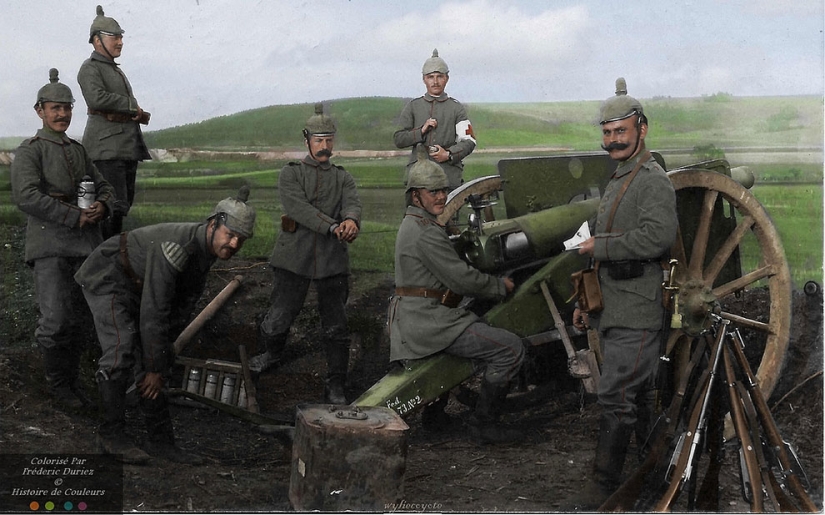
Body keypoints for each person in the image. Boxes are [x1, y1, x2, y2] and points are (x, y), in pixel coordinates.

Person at [74, 187, 256, 465]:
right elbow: (154, 311)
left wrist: (159, 361)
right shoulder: (177, 247)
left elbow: (177, 310)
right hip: (110, 276)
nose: (233, 244)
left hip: (138, 286)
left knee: (158, 357)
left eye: (240, 240)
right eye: (229, 235)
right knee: (121, 347)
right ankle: (111, 436)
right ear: (213, 224)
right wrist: (154, 369)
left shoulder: (205, 253)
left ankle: (160, 442)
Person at [567, 78, 678, 510]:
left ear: (641, 129)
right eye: (607, 132)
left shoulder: (651, 180)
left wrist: (603, 246)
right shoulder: (619, 178)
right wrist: (584, 304)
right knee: (635, 395)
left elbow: (658, 236)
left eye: (621, 131)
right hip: (613, 307)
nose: (612, 140)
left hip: (638, 308)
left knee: (616, 394)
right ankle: (651, 476)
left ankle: (604, 486)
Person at [387, 148, 525, 443]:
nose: (441, 197)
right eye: (433, 192)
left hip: (418, 319)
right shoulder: (424, 231)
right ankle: (484, 424)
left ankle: (435, 419)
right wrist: (500, 287)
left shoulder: (416, 225)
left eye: (444, 191)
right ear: (416, 197)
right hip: (428, 323)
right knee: (509, 348)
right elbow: (461, 279)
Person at [11, 68, 115, 410]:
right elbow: (27, 196)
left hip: (86, 245)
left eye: (67, 107)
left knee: (87, 316)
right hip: (50, 244)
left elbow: (104, 186)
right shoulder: (30, 151)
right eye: (55, 108)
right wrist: (73, 215)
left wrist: (103, 204)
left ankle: (79, 381)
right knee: (56, 319)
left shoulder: (78, 150)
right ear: (40, 111)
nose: (62, 114)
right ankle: (57, 388)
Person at [249, 103, 362, 405]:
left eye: (329, 140)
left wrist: (351, 221)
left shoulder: (343, 177)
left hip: (332, 261)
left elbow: (352, 203)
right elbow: (298, 209)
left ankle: (336, 383)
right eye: (318, 140)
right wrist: (333, 226)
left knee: (336, 325)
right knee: (280, 316)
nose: (324, 147)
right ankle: (271, 354)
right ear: (307, 141)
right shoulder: (291, 174)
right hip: (293, 257)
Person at [78, 5, 151, 240]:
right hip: (106, 150)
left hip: (123, 149)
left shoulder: (113, 69)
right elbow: (96, 97)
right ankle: (100, 264)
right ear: (97, 41)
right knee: (109, 210)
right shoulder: (90, 68)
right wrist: (131, 106)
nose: (120, 42)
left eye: (121, 37)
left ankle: (106, 263)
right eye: (115, 37)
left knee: (120, 208)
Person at [393, 49, 476, 191]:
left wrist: (448, 154)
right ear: (424, 79)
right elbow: (399, 139)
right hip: (418, 177)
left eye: (440, 76)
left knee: (448, 212)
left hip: (448, 177)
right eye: (431, 77)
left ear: (447, 79)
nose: (435, 82)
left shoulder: (456, 108)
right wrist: (421, 131)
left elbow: (469, 141)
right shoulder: (413, 106)